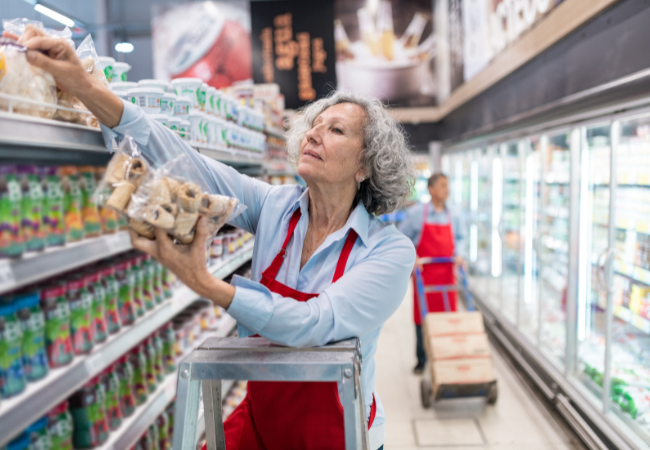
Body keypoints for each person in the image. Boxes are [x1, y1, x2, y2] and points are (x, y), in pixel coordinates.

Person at [12, 28, 417, 450]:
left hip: (339, 433)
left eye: (336, 131)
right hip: (263, 420)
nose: (314, 134)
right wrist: (86, 87)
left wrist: (208, 285)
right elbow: (187, 163)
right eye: (313, 126)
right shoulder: (275, 207)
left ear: (366, 165)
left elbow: (314, 324)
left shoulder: (388, 251)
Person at [398, 173, 466, 375]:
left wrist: (460, 255)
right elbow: (402, 237)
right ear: (431, 189)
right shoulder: (418, 213)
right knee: (422, 317)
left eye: (448, 185)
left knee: (447, 315)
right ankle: (422, 358)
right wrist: (413, 257)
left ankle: (445, 354)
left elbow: (461, 237)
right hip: (424, 275)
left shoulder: (454, 214)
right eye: (443, 185)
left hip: (446, 274)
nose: (447, 189)